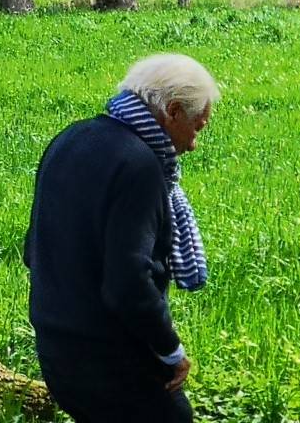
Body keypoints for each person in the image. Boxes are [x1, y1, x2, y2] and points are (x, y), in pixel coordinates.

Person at [24, 53, 219, 422]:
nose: (193, 145)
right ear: (173, 111)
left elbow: (32, 249)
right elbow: (128, 284)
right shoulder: (140, 166)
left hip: (55, 350)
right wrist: (170, 350)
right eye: (197, 127)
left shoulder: (69, 139)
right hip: (109, 362)